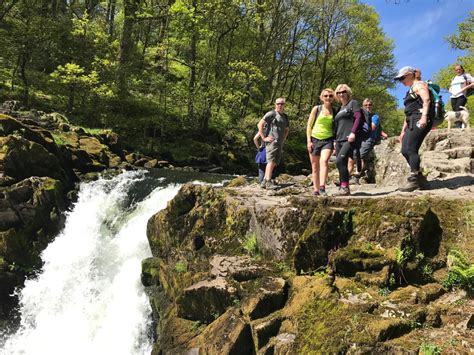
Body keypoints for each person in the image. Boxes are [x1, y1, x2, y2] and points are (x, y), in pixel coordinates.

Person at [395, 66, 433, 192]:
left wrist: (424, 117)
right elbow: (407, 113)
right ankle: (420, 178)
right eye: (399, 79)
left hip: (420, 119)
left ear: (410, 74)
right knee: (405, 150)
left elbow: (426, 99)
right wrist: (402, 131)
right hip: (411, 120)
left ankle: (414, 180)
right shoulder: (410, 89)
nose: (401, 81)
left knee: (411, 149)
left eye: (402, 78)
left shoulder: (419, 85)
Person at [333, 84, 364, 196]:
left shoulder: (353, 103)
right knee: (341, 163)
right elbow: (337, 126)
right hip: (339, 139)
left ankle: (345, 187)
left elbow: (358, 117)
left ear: (348, 92)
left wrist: (353, 133)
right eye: (338, 92)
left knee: (340, 161)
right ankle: (343, 186)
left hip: (349, 138)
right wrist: (334, 141)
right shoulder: (338, 109)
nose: (341, 94)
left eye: (343, 91)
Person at [348, 98, 388, 183]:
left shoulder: (375, 116)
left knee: (360, 156)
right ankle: (345, 177)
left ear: (372, 106)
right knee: (350, 157)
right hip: (360, 138)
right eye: (365, 105)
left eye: (369, 105)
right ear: (362, 106)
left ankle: (356, 177)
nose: (368, 107)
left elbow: (372, 128)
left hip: (369, 139)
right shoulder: (360, 116)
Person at [306, 88, 336, 196]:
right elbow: (309, 126)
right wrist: (309, 141)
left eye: (330, 96)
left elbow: (336, 128)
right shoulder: (316, 109)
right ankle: (316, 189)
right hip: (314, 139)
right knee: (314, 166)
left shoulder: (335, 111)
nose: (328, 98)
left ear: (333, 98)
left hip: (328, 140)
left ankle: (322, 187)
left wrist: (335, 142)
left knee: (324, 161)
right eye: (326, 96)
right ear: (322, 97)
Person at [257, 97, 289, 190]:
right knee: (271, 161)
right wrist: (264, 138)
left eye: (282, 104)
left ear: (284, 105)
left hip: (279, 143)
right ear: (275, 104)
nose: (280, 105)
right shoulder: (271, 114)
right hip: (271, 142)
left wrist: (283, 140)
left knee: (275, 162)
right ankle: (268, 181)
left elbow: (286, 129)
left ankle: (264, 181)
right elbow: (260, 124)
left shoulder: (285, 117)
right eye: (278, 103)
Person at [449, 64, 473, 128]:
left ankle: (458, 126)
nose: (458, 71)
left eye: (459, 69)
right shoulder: (454, 78)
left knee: (458, 110)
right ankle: (460, 125)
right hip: (453, 96)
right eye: (456, 70)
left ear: (462, 69)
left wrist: (465, 88)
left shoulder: (466, 76)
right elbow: (451, 86)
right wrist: (450, 89)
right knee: (454, 111)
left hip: (462, 95)